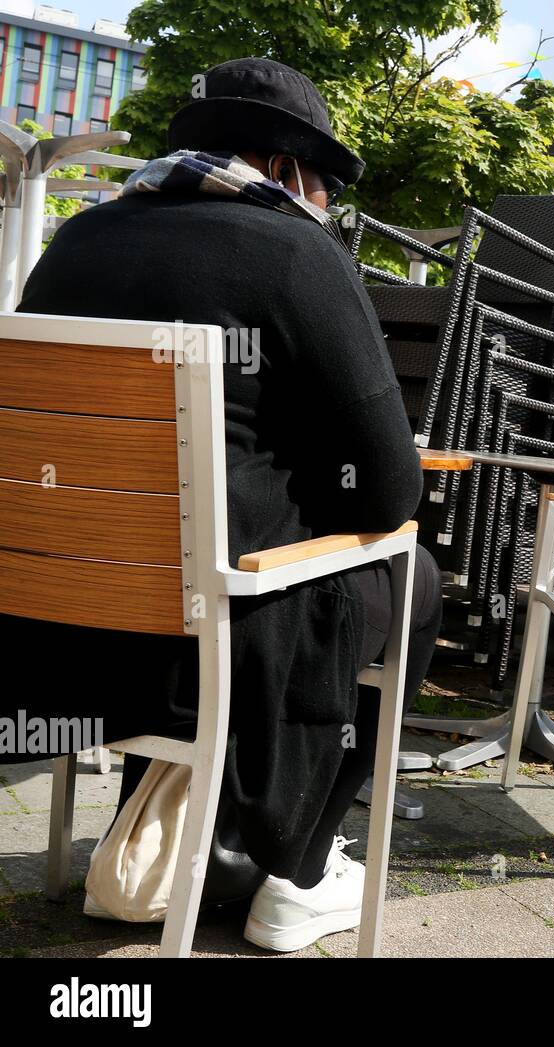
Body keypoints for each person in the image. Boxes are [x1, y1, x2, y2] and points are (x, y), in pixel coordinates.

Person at [3, 57, 442, 952]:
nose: (323, 202)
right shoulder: (294, 250)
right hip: (208, 647)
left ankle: (190, 835)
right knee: (413, 572)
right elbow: (393, 490)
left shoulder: (76, 240)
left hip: (52, 642)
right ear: (282, 168)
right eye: (321, 182)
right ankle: (301, 871)